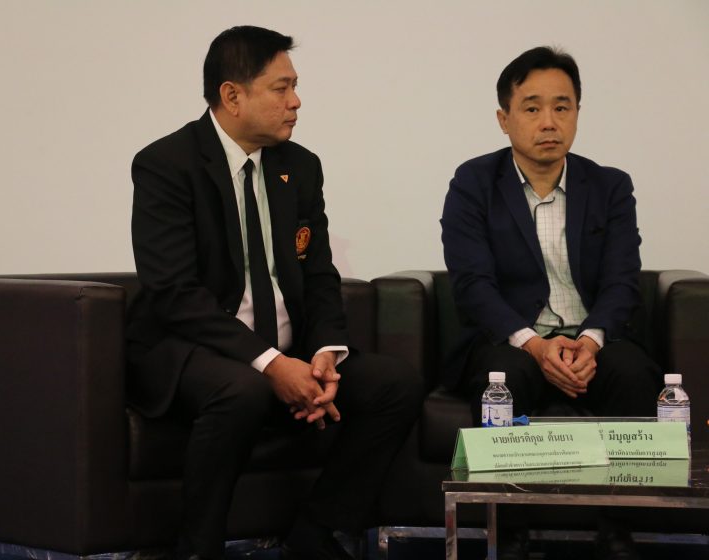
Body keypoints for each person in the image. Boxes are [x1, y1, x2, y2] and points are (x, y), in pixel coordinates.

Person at [127, 26, 422, 560]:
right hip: (191, 350)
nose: (296, 101)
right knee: (243, 389)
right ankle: (197, 550)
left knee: (394, 385)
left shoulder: (300, 167)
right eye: (281, 88)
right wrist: (271, 364)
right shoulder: (166, 165)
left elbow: (320, 275)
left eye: (295, 86)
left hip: (288, 350)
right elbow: (173, 294)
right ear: (232, 96)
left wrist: (325, 354)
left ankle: (316, 532)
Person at [440, 46, 661, 560]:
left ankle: (618, 531)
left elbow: (622, 280)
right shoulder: (473, 183)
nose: (548, 122)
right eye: (532, 107)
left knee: (634, 374)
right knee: (504, 379)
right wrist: (535, 346)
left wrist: (591, 341)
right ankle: (510, 532)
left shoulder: (610, 186)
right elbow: (472, 284)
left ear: (578, 113)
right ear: (504, 118)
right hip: (512, 341)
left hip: (591, 339)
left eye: (562, 107)